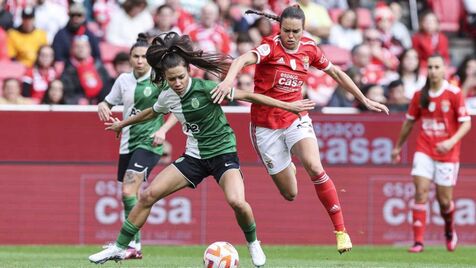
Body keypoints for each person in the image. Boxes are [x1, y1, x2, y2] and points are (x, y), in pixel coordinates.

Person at [88, 32, 316, 266]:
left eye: (180, 77)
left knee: (237, 202)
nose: (177, 83)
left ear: (189, 70)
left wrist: (289, 105)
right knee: (147, 195)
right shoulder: (168, 95)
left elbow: (249, 95)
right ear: (165, 78)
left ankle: (253, 243)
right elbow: (152, 111)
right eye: (171, 79)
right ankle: (119, 247)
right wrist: (122, 123)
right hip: (194, 157)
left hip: (223, 154)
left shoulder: (207, 88)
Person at [211, 6, 389, 254]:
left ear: (303, 30)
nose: (291, 36)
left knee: (315, 167)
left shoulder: (310, 48)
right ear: (279, 28)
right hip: (265, 128)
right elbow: (241, 60)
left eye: (296, 31)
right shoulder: (270, 47)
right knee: (290, 193)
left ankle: (340, 231)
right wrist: (228, 80)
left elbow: (336, 72)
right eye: (286, 31)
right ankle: (289, 164)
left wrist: (364, 99)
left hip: (296, 117)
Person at [96, 33, 178, 260]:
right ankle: (133, 245)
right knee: (128, 196)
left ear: (149, 59)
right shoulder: (123, 80)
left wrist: (163, 131)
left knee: (127, 191)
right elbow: (108, 101)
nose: (140, 60)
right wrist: (102, 105)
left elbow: (177, 108)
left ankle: (132, 244)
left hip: (149, 143)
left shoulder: (159, 79)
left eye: (143, 56)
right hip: (126, 143)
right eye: (136, 56)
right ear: (130, 58)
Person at [391, 54, 471, 253]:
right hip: (424, 149)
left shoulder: (454, 93)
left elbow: (466, 122)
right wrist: (398, 147)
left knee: (445, 202)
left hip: (448, 153)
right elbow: (409, 122)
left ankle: (450, 229)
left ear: (444, 70)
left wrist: (451, 141)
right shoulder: (420, 94)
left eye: (437, 67)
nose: (434, 71)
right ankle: (418, 242)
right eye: (431, 67)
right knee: (420, 192)